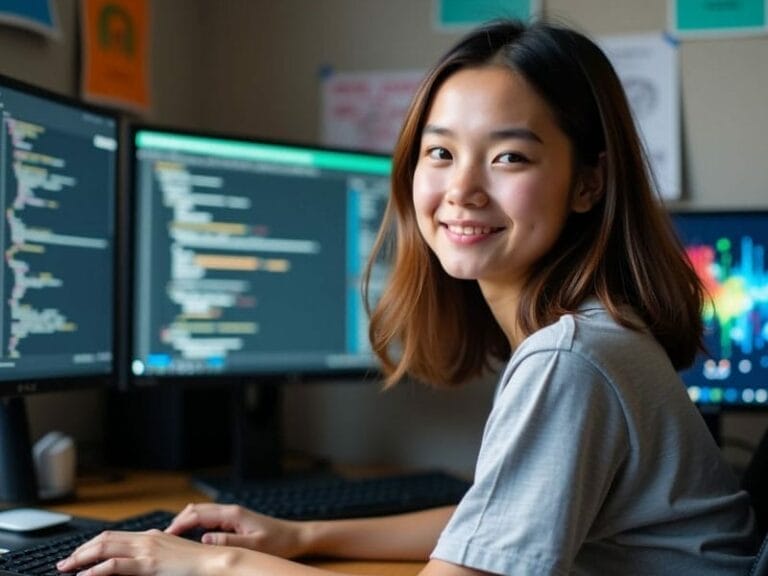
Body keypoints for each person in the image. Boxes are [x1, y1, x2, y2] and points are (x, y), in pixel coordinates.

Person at [58, 18, 757, 576]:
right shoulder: (595, 332)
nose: (462, 190)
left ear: (588, 184)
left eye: (508, 156)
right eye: (440, 151)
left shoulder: (569, 359)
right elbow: (494, 522)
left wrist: (209, 564)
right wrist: (302, 534)